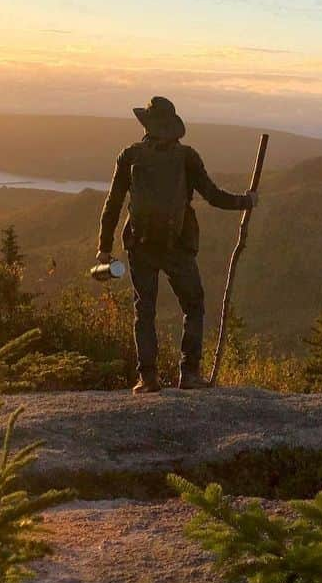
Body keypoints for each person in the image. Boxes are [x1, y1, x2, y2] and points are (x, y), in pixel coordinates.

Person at [97, 96, 258, 394]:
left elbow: (113, 204)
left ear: (147, 124)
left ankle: (148, 378)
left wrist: (104, 249)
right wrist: (245, 202)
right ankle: (189, 373)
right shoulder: (186, 157)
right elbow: (213, 195)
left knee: (144, 310)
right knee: (193, 304)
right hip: (177, 246)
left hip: (139, 244)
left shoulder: (130, 156)